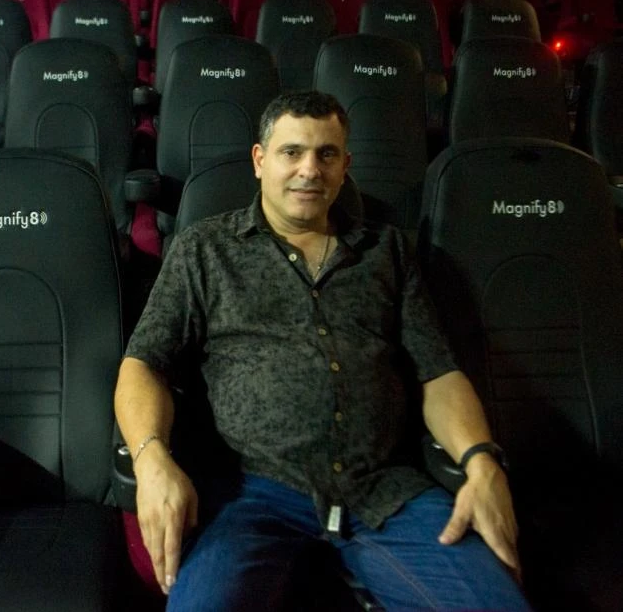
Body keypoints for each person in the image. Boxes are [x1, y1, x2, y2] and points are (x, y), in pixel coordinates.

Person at [114, 91, 530, 610]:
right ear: (260, 160)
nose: (310, 170)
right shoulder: (204, 249)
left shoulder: (387, 251)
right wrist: (152, 459)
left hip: (382, 491)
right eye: (292, 152)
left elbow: (438, 373)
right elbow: (144, 364)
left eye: (326, 154)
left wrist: (481, 462)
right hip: (251, 494)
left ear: (345, 166)